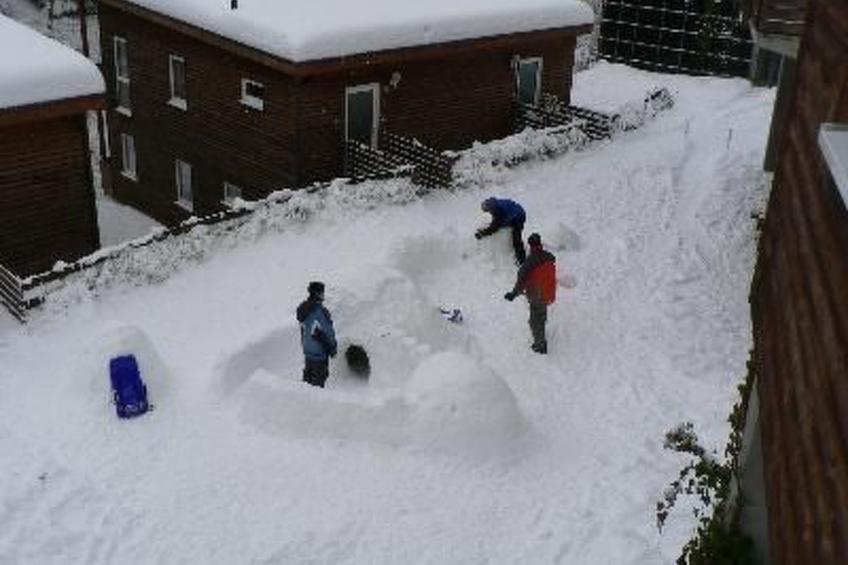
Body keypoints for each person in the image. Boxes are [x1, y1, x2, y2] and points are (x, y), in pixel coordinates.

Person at [504, 233, 556, 354]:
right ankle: (542, 333)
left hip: (537, 295)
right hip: (549, 292)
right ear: (540, 243)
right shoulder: (549, 256)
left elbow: (521, 282)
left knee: (534, 321)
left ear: (530, 245)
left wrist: (513, 294)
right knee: (541, 315)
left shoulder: (529, 263)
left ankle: (540, 346)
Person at [296, 281, 337, 387]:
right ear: (318, 294)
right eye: (322, 292)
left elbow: (303, 330)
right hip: (320, 355)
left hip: (308, 352)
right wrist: (332, 349)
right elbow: (328, 332)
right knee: (317, 390)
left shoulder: (303, 309)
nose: (324, 295)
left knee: (306, 385)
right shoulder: (320, 312)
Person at [475, 197, 527, 264]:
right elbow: (497, 221)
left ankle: (522, 260)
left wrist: (482, 234)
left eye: (487, 211)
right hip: (513, 213)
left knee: (516, 240)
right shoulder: (493, 203)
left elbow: (495, 227)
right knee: (502, 224)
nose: (488, 212)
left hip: (519, 216)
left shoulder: (497, 210)